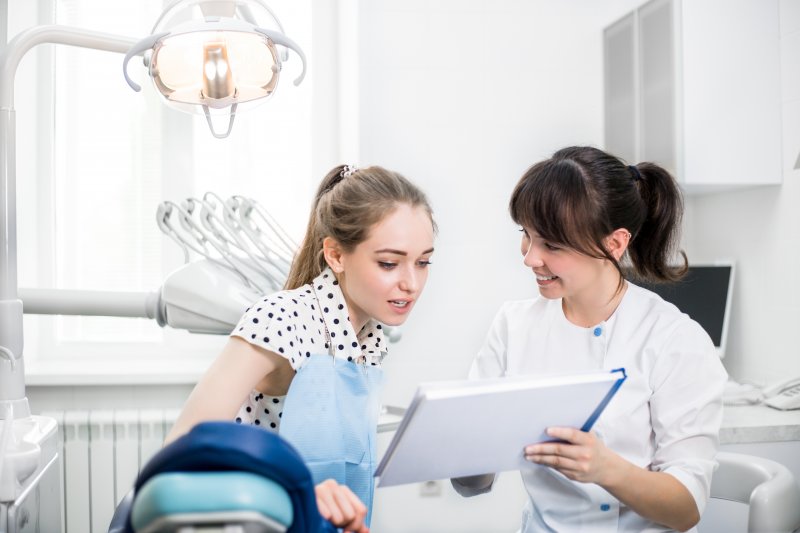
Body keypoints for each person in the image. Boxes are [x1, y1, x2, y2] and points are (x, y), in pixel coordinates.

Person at [452, 146, 727, 532]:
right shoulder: (514, 326)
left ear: (614, 244)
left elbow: (686, 509)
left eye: (552, 244)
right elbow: (471, 483)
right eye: (526, 236)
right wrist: (467, 458)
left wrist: (605, 468)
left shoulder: (672, 339)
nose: (530, 258)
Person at [166, 164, 436, 533]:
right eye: (389, 263)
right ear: (336, 256)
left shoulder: (369, 339)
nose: (412, 283)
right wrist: (289, 491)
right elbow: (181, 451)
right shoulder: (281, 318)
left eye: (423, 262)